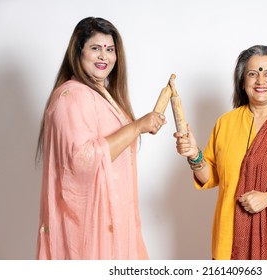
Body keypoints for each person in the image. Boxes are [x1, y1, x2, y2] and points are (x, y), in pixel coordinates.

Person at [174, 45, 267, 260]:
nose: (260, 80)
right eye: (252, 73)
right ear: (242, 82)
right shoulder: (226, 124)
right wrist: (194, 155)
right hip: (233, 238)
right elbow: (211, 177)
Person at [35, 17, 166, 260]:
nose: (104, 57)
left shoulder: (102, 94)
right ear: (78, 52)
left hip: (114, 217)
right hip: (89, 225)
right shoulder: (73, 96)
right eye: (95, 48)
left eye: (110, 50)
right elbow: (83, 160)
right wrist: (137, 127)